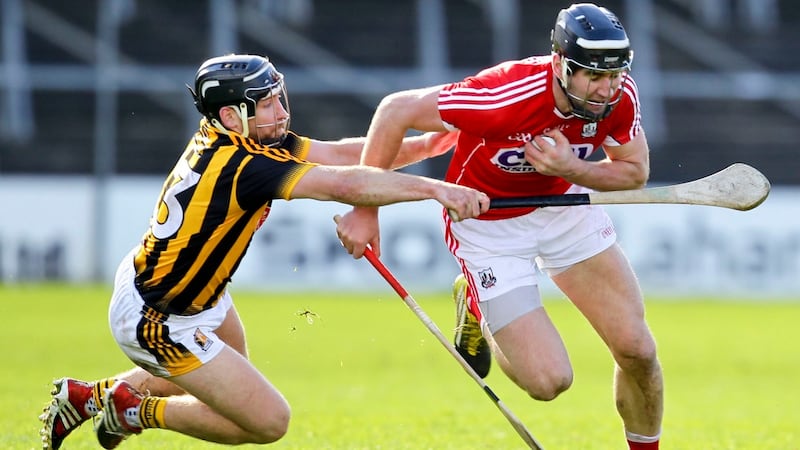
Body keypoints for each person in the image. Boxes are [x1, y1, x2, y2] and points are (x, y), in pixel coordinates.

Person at [39, 53, 489, 450]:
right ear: (232, 116)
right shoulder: (245, 165)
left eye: (277, 96)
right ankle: (131, 412)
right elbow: (343, 184)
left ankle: (87, 397)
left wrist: (425, 145)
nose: (280, 110)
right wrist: (437, 189)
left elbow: (337, 156)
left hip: (192, 294)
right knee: (264, 421)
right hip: (159, 317)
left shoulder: (250, 140)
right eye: (266, 102)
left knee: (218, 386)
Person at [335, 3, 663, 449]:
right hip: (487, 224)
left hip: (563, 207)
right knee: (549, 382)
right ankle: (475, 303)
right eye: (593, 75)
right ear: (561, 64)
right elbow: (396, 110)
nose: (607, 89)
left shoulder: (620, 97)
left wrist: (571, 167)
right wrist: (365, 207)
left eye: (615, 74)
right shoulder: (504, 97)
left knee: (637, 350)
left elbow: (633, 172)